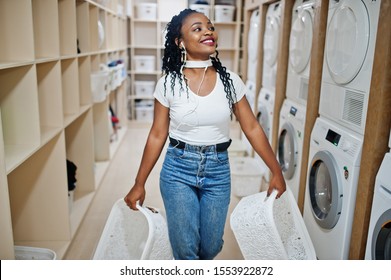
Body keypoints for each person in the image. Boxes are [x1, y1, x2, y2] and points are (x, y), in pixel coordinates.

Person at [124, 8, 286, 260]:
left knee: (210, 247)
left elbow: (252, 127)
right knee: (186, 250)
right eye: (197, 28)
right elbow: (157, 135)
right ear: (180, 42)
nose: (208, 31)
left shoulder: (230, 81)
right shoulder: (168, 83)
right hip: (178, 168)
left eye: (209, 26)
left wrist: (275, 171)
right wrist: (139, 183)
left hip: (218, 169)